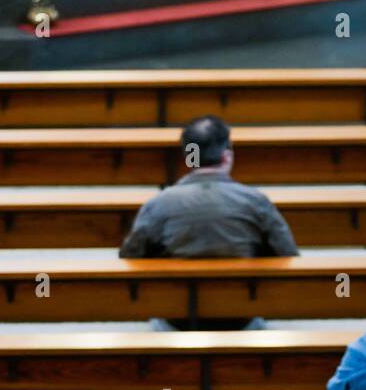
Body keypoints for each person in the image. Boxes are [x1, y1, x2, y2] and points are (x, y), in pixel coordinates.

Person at [121, 115, 297, 330]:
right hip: (240, 316)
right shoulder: (255, 201)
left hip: (177, 318)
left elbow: (131, 256)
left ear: (189, 157)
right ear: (227, 156)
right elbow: (287, 255)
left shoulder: (159, 204)